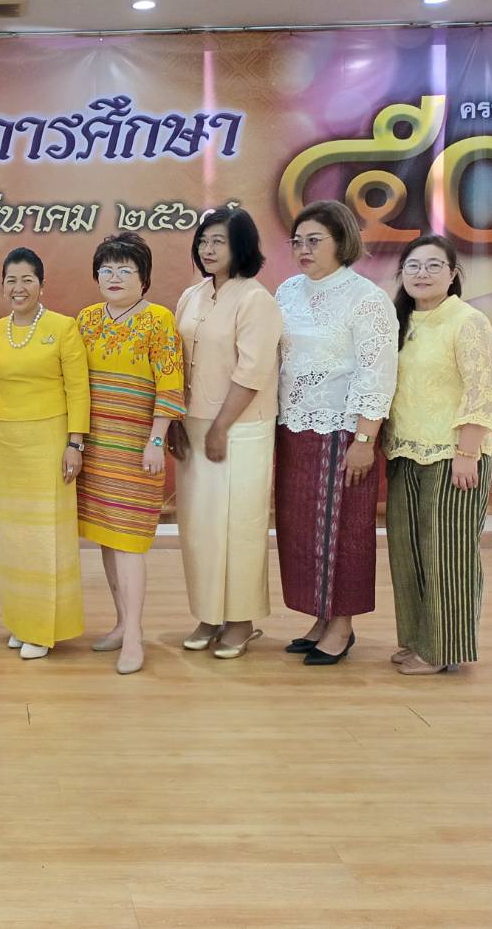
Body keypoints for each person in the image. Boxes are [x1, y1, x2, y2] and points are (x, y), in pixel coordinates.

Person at [274, 200, 398, 667]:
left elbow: (377, 372)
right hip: (294, 427)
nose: (302, 250)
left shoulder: (366, 298)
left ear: (342, 241)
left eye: (314, 241)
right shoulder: (287, 291)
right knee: (302, 529)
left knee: (343, 528)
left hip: (343, 432)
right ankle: (320, 617)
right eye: (297, 241)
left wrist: (364, 440)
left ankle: (342, 625)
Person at [384, 235, 492, 675]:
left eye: (434, 265)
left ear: (453, 274)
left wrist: (468, 451)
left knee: (447, 555)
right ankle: (419, 639)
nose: (422, 273)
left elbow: (482, 390)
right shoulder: (399, 322)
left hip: (453, 455)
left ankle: (442, 649)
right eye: (413, 266)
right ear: (401, 274)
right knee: (409, 553)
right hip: (404, 452)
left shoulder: (468, 321)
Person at [171, 206, 282, 660]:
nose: (208, 248)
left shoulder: (256, 299)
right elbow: (174, 363)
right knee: (200, 527)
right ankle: (209, 614)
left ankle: (241, 621)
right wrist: (175, 419)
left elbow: (253, 372)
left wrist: (220, 428)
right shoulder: (191, 296)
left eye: (218, 240)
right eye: (203, 241)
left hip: (241, 428)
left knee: (240, 526)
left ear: (242, 245)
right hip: (192, 425)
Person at [75, 231, 185, 675]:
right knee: (107, 538)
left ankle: (136, 636)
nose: (114, 277)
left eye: (125, 269)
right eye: (106, 269)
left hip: (138, 450)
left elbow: (170, 383)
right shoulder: (86, 320)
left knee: (130, 542)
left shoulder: (159, 320)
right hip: (95, 449)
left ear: (144, 278)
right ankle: (121, 623)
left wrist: (157, 439)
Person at [0, 247, 90, 660]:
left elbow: (78, 389)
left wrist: (75, 444)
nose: (18, 287)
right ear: (2, 285)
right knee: (13, 537)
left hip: (49, 443)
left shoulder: (63, 327)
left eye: (27, 279)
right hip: (7, 444)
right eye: (11, 280)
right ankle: (21, 622)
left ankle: (43, 630)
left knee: (45, 536)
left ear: (42, 285)